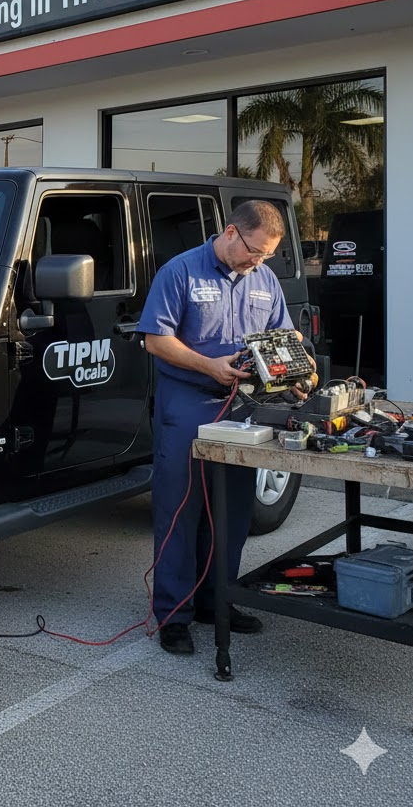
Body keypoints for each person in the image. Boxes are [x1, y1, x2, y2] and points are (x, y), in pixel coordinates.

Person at [139, 200, 300, 655]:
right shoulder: (181, 272)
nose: (259, 262)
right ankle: (174, 615)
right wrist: (209, 366)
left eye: (267, 255)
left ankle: (218, 601)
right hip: (189, 403)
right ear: (231, 233)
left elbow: (285, 336)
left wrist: (289, 367)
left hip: (244, 407)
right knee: (181, 509)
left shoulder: (264, 280)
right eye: (254, 251)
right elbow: (156, 339)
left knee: (232, 510)